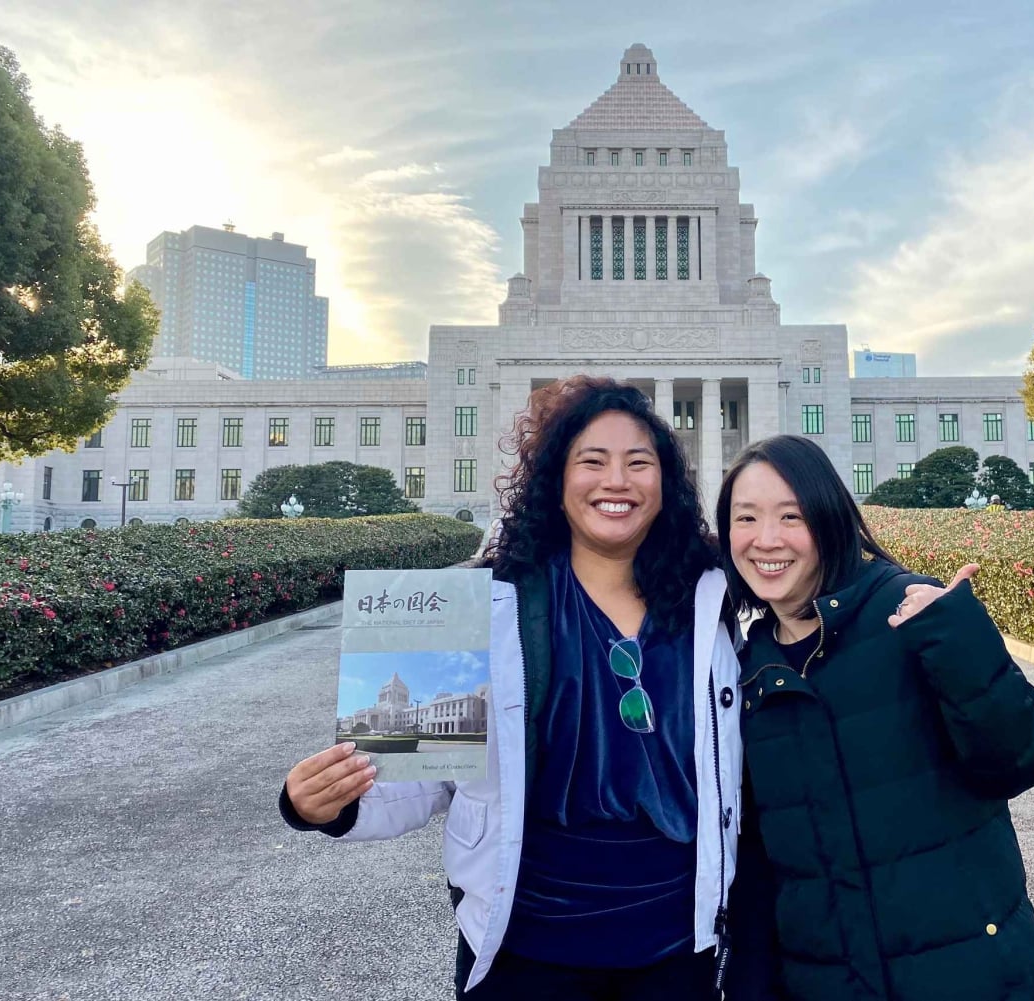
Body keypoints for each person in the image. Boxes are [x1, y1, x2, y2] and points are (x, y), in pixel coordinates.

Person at [278, 376, 744, 999]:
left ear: (665, 482)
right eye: (592, 462)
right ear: (556, 479)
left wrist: (903, 601)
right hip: (527, 943)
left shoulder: (714, 596)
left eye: (640, 463)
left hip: (676, 942)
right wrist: (330, 802)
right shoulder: (485, 600)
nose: (617, 482)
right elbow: (423, 767)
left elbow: (815, 578)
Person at [717, 435, 1034, 1001]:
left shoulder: (910, 611)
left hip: (968, 976)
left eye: (791, 516)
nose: (767, 540)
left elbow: (1020, 757)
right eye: (746, 518)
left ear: (830, 518)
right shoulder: (746, 672)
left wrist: (956, 637)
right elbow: (761, 868)